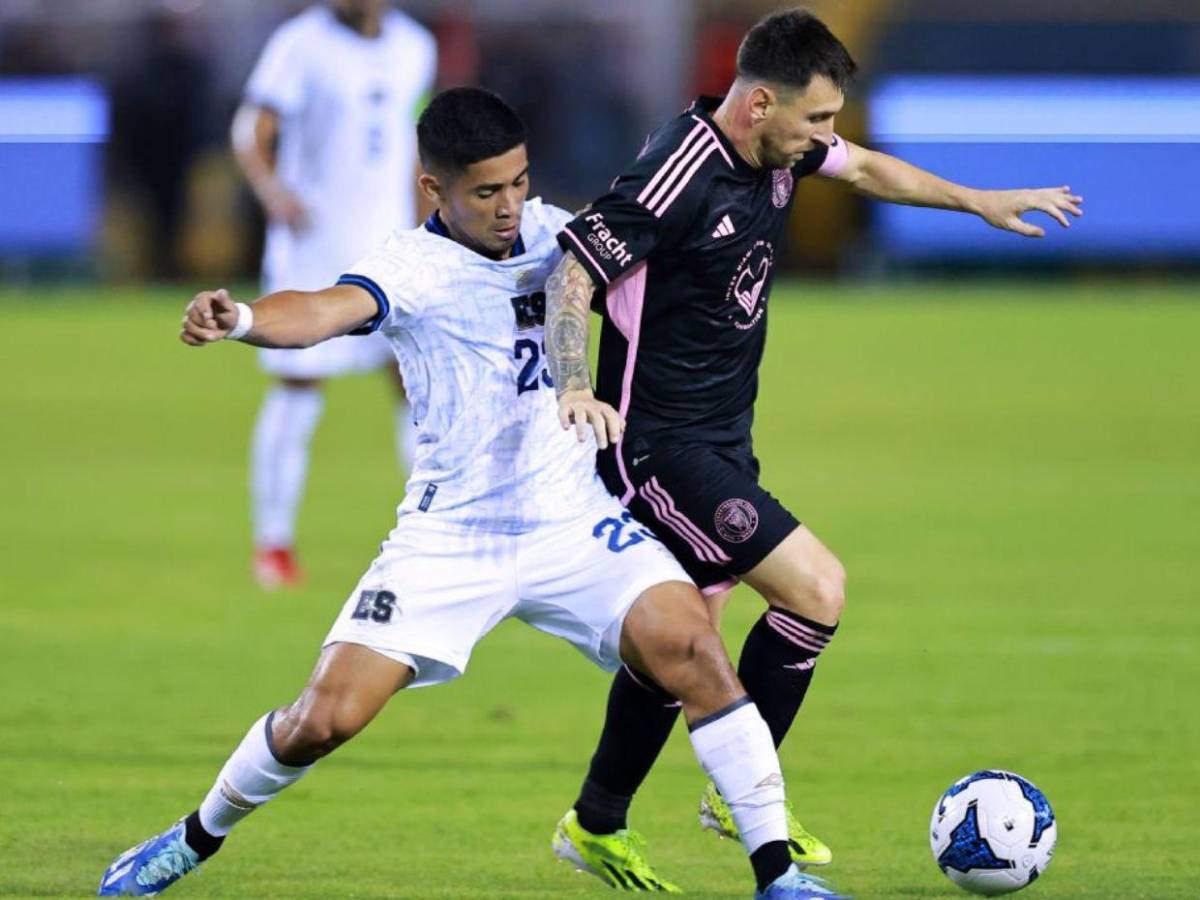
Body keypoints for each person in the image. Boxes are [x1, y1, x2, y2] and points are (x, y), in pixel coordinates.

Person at [97, 88, 846, 900]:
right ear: (434, 190)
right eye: (487, 191)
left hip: (574, 525)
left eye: (520, 182)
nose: (509, 206)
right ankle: (191, 837)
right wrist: (241, 317)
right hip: (451, 539)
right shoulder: (409, 268)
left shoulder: (556, 233)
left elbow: (665, 241)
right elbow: (319, 311)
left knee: (697, 652)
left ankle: (778, 878)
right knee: (324, 719)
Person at [543, 7, 1083, 889]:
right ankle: (742, 795)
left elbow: (864, 167)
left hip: (722, 437)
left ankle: (597, 822)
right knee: (816, 589)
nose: (827, 138)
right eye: (817, 120)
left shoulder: (779, 148)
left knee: (679, 643)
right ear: (759, 103)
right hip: (658, 447)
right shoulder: (677, 173)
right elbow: (573, 270)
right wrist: (574, 384)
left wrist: (978, 201)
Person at [232, 0, 436, 588]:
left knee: (416, 382)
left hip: (387, 244)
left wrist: (427, 226)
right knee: (299, 384)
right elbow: (253, 130)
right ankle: (273, 544)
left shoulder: (414, 46)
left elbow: (415, 140)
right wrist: (273, 193)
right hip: (314, 245)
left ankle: (433, 532)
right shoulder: (301, 43)